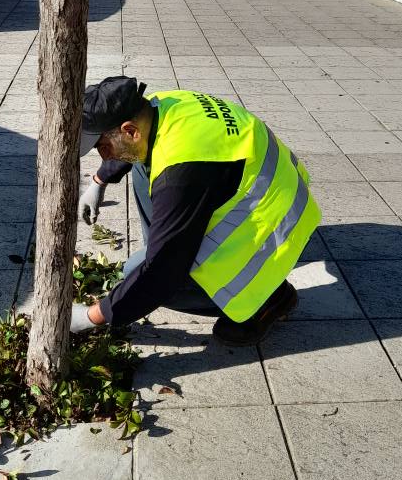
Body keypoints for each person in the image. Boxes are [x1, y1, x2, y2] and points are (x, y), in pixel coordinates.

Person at [74, 77, 321, 345]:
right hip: (272, 192)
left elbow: (162, 273)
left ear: (130, 130)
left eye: (102, 147)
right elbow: (129, 147)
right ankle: (168, 240)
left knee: (146, 271)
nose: (104, 156)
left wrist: (93, 316)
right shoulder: (162, 106)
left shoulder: (180, 174)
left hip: (277, 231)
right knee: (139, 162)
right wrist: (99, 181)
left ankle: (269, 298)